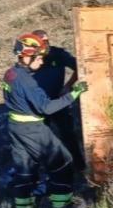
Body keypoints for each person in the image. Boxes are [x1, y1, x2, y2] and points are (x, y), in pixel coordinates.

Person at [3, 33, 88, 208]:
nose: (42, 61)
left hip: (16, 127)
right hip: (33, 128)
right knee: (62, 163)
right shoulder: (27, 81)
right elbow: (47, 108)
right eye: (39, 57)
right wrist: (73, 93)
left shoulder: (11, 73)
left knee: (25, 170)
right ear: (26, 55)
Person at [31, 30, 84, 172]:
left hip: (58, 100)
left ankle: (79, 165)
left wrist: (68, 86)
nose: (45, 44)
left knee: (68, 134)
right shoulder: (29, 58)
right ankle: (44, 169)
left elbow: (80, 67)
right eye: (41, 42)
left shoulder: (58, 54)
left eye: (47, 41)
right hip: (37, 103)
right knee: (39, 137)